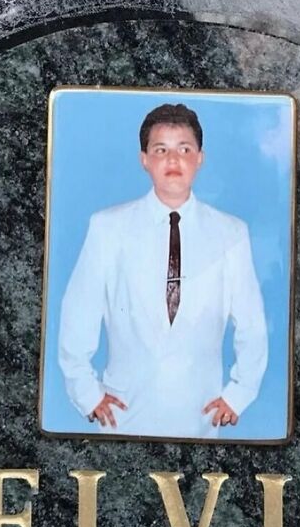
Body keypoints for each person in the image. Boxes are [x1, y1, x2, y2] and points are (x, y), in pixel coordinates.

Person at [58, 102, 268, 438]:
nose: (173, 160)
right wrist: (87, 394)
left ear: (200, 157)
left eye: (184, 148)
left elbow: (252, 323)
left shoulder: (231, 233)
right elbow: (77, 314)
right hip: (125, 412)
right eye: (161, 149)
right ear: (144, 159)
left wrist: (239, 394)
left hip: (200, 414)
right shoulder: (108, 228)